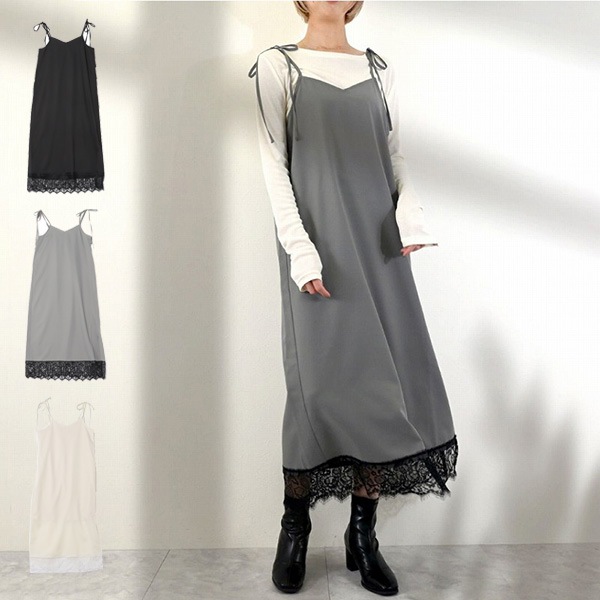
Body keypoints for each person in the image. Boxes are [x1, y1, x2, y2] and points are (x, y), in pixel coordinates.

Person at [248, 1, 459, 595]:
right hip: (320, 247)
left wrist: (410, 218)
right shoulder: (278, 66)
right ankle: (295, 525)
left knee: (381, 386)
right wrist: (300, 250)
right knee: (315, 389)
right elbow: (274, 164)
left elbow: (395, 155)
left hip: (379, 245)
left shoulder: (376, 68)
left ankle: (362, 534)